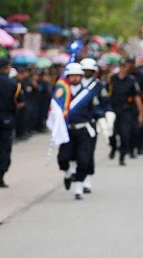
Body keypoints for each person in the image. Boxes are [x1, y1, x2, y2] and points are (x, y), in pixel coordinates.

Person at [56, 63, 102, 200]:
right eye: (72, 76)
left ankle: (79, 187)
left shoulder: (88, 93)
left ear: (81, 77)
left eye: (77, 76)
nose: (75, 78)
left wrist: (103, 117)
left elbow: (96, 109)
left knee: (83, 159)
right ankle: (68, 173)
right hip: (67, 130)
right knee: (63, 158)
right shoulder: (62, 92)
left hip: (83, 130)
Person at [0, 58, 25, 187]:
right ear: (8, 68)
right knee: (5, 146)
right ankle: (0, 173)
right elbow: (21, 103)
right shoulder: (14, 84)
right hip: (8, 117)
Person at [80, 57, 109, 193]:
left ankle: (87, 179)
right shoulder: (74, 84)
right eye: (84, 70)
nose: (86, 72)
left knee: (88, 152)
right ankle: (73, 171)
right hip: (75, 123)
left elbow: (104, 103)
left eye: (89, 70)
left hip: (91, 124)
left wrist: (105, 116)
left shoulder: (98, 86)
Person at [108, 59, 143, 166]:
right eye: (121, 65)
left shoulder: (132, 80)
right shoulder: (112, 79)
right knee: (111, 133)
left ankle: (122, 157)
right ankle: (113, 147)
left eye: (125, 66)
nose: (123, 68)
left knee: (125, 135)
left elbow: (137, 97)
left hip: (126, 111)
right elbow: (106, 94)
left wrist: (141, 113)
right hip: (113, 110)